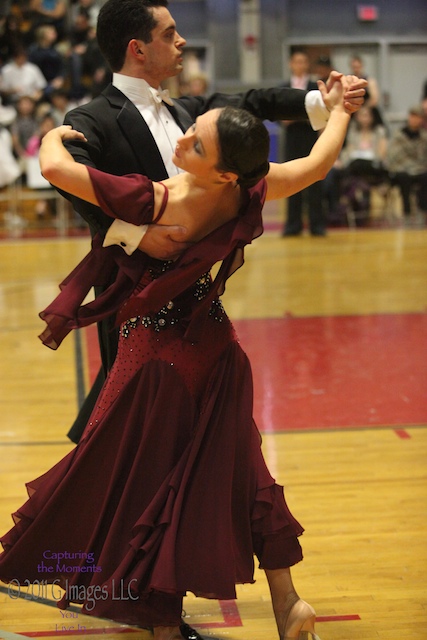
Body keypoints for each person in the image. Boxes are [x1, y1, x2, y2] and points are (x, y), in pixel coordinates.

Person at [0, 70, 351, 640]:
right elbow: (317, 164)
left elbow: (55, 171)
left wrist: (53, 135)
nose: (182, 137)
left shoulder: (156, 199)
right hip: (218, 352)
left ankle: (160, 616)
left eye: (196, 141)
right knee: (244, 472)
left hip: (154, 361)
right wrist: (339, 112)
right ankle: (287, 602)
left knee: (145, 482)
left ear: (221, 169)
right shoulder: (249, 189)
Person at [60, 0, 367, 446]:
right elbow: (73, 181)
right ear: (137, 49)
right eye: (168, 34)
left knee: (185, 425)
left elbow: (252, 102)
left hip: (193, 298)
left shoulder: (191, 113)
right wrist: (136, 234)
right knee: (129, 424)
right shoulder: (91, 119)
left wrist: (324, 101)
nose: (181, 41)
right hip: (128, 294)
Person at [281, 49, 326, 236]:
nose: (299, 65)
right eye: (296, 61)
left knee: (314, 179)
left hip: (310, 135)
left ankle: (317, 225)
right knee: (291, 179)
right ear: (291, 64)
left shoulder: (314, 86)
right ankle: (293, 225)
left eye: (303, 62)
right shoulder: (284, 87)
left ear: (307, 64)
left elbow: (320, 114)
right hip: (292, 137)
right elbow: (281, 116)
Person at [387, 104, 427, 219]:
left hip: (419, 169)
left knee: (425, 177)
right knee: (404, 177)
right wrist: (410, 166)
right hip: (402, 169)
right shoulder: (399, 135)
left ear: (421, 119)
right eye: (412, 116)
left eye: (417, 117)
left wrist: (418, 167)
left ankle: (423, 211)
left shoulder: (424, 136)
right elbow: (395, 156)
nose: (414, 119)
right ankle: (407, 212)